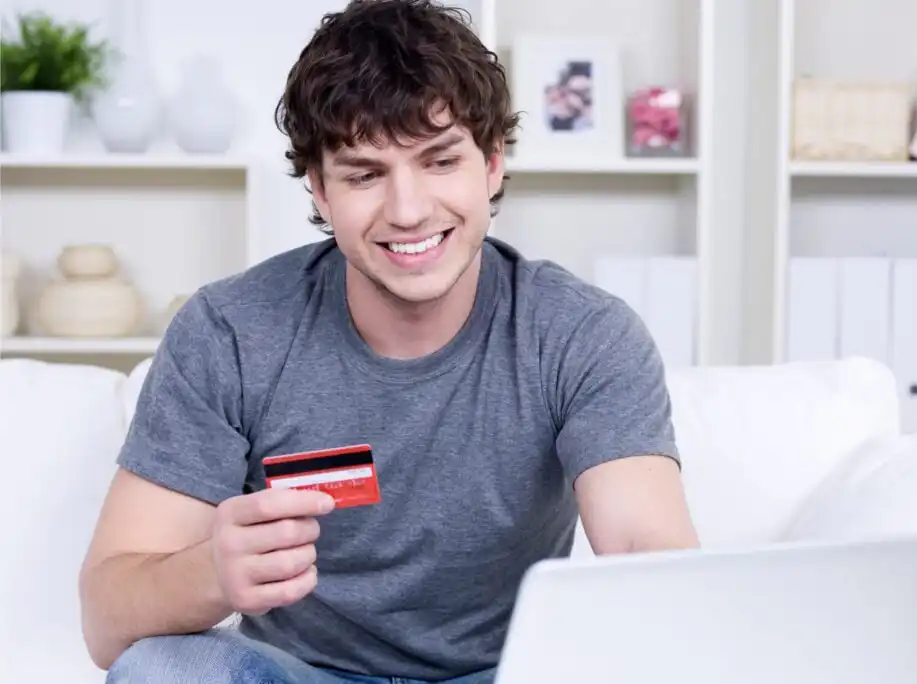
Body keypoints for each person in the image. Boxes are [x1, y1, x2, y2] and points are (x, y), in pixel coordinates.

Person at [78, 1, 700, 682]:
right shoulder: (230, 331)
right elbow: (108, 623)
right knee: (161, 670)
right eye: (365, 174)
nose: (408, 210)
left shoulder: (583, 335)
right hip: (296, 673)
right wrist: (211, 575)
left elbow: (649, 551)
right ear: (318, 189)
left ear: (490, 166)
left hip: (507, 673)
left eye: (440, 161)